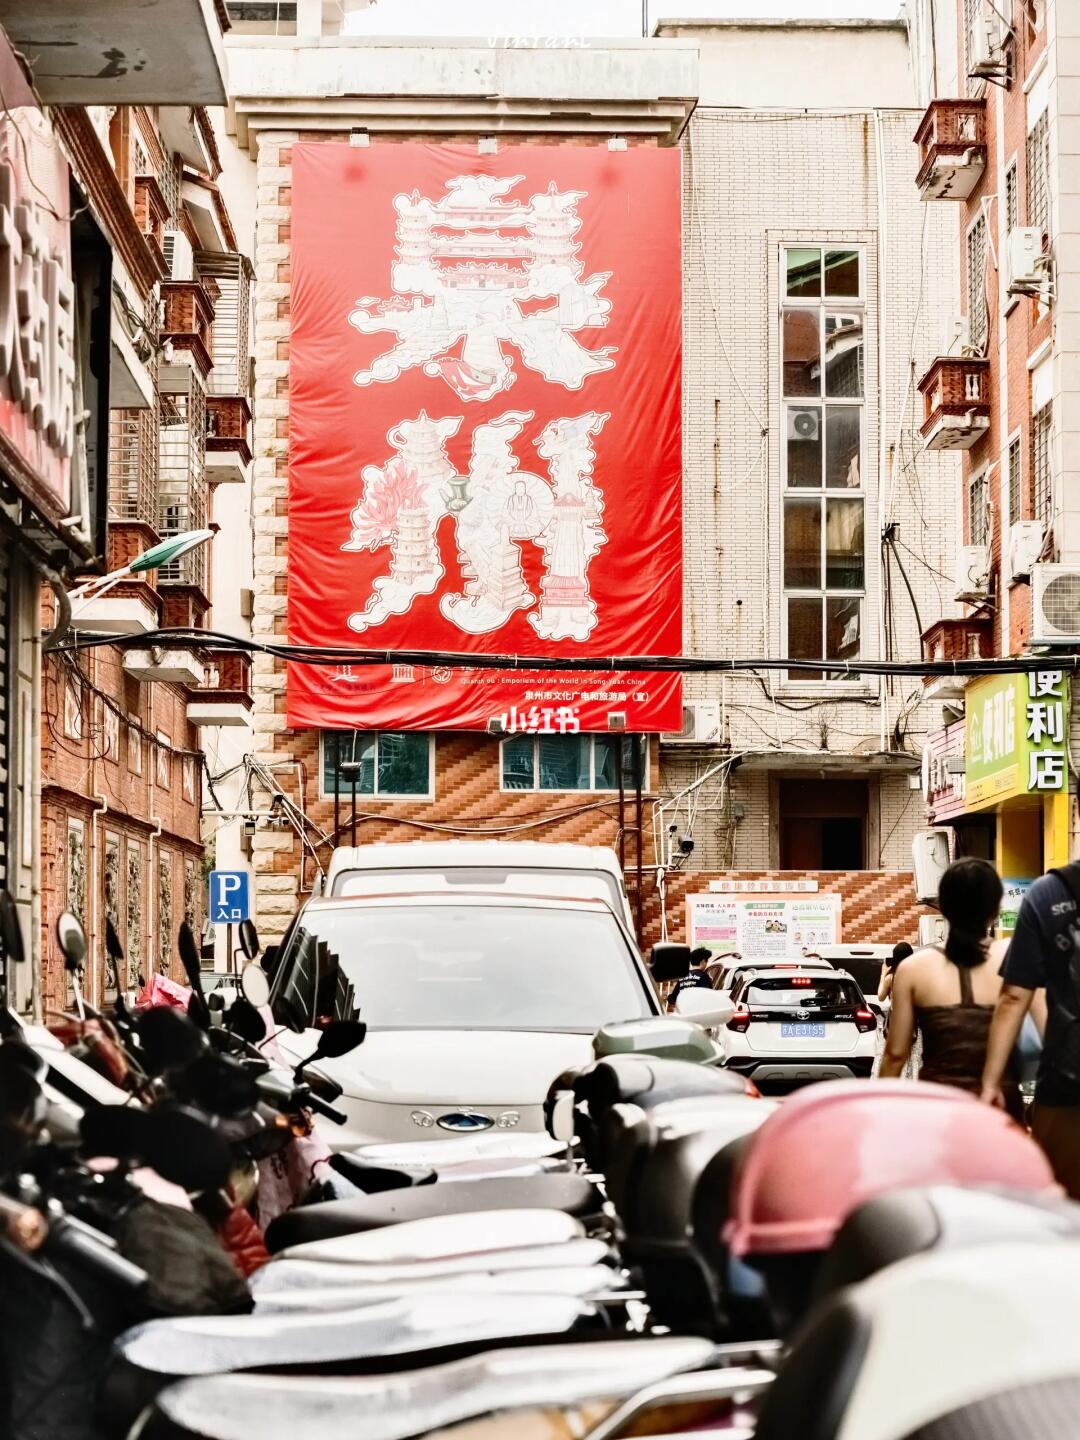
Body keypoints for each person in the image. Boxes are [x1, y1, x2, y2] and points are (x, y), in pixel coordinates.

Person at [880, 859, 1023, 1117]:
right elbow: (1049, 1035)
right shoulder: (1016, 957)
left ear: (943, 907)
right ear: (995, 908)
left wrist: (879, 1114)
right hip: (1001, 1108)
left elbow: (895, 1055)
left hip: (939, 1108)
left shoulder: (913, 968)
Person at [982, 861, 1080, 1198]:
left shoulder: (1048, 893)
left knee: (1059, 1203)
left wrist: (991, 1083)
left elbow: (1014, 997)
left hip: (1067, 1085)